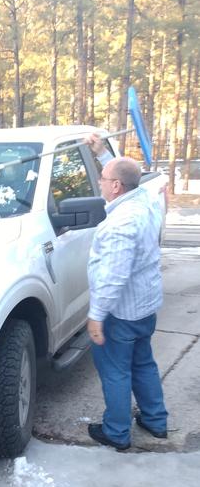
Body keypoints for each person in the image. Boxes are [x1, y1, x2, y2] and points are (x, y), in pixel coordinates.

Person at [84, 133, 168, 451]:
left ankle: (117, 432)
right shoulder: (145, 200)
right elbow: (134, 180)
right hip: (145, 307)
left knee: (115, 370)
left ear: (116, 186)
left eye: (103, 179)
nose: (101, 183)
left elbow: (114, 277)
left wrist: (96, 316)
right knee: (143, 363)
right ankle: (155, 421)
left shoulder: (121, 223)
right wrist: (103, 153)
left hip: (121, 312)